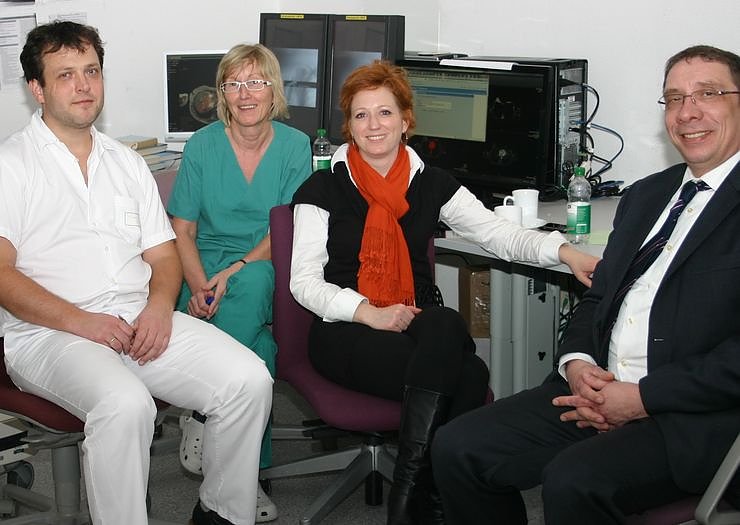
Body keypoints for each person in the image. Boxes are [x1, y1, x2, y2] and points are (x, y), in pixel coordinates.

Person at [431, 44, 740, 524]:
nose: (688, 112)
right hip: (596, 390)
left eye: (708, 93)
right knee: (458, 447)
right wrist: (577, 364)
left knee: (573, 481)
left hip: (692, 418)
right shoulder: (646, 196)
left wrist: (642, 398)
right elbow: (597, 298)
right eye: (675, 98)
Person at [288, 60, 599, 525]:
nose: (374, 125)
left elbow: (496, 234)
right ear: (348, 126)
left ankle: (412, 490)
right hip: (346, 331)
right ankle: (425, 495)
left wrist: (564, 252)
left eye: (385, 112)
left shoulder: (431, 183)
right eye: (361, 115)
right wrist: (368, 312)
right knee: (468, 373)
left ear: (406, 120)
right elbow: (304, 282)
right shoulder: (321, 188)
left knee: (445, 325)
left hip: (417, 325)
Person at [0, 21, 273, 525]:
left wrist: (159, 308)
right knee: (126, 406)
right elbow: (2, 274)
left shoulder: (126, 163)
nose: (83, 86)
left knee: (248, 380)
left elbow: (164, 256)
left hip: (135, 318)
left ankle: (221, 515)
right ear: (37, 89)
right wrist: (83, 322)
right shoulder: (11, 164)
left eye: (92, 72)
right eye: (66, 75)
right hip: (49, 334)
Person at [167, 43, 311, 522]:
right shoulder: (202, 145)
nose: (245, 93)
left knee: (253, 283)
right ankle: (249, 481)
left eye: (256, 82)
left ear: (274, 90)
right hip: (201, 265)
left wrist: (236, 269)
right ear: (222, 94)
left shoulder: (295, 146)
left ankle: (203, 413)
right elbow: (182, 229)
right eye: (233, 84)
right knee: (259, 354)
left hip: (262, 262)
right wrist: (199, 285)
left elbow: (283, 229)